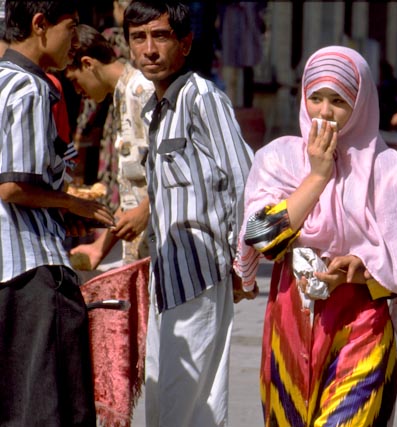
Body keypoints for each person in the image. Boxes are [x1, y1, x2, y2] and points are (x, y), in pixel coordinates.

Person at [236, 45, 397, 426]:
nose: (324, 113)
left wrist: (364, 272)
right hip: (289, 325)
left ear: (361, 104)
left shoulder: (392, 173)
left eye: (339, 101)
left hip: (362, 327)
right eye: (316, 98)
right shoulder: (278, 160)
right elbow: (260, 236)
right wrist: (317, 176)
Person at [123, 1, 254, 425]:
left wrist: (243, 265)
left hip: (199, 278)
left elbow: (242, 179)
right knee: (174, 405)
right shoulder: (156, 109)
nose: (149, 50)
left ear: (185, 43)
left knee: (183, 406)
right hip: (167, 279)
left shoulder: (202, 98)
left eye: (160, 37)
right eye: (138, 38)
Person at [0, 1, 115, 425]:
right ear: (40, 25)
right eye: (72, 27)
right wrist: (74, 203)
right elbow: (13, 186)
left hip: (10, 270)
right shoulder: (30, 88)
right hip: (31, 269)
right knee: (47, 407)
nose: (75, 40)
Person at [66, 24, 155, 269]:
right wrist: (98, 248)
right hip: (143, 252)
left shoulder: (142, 92)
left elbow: (174, 168)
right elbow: (133, 192)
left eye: (74, 80)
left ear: (88, 64)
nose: (77, 91)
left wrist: (145, 210)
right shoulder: (121, 95)